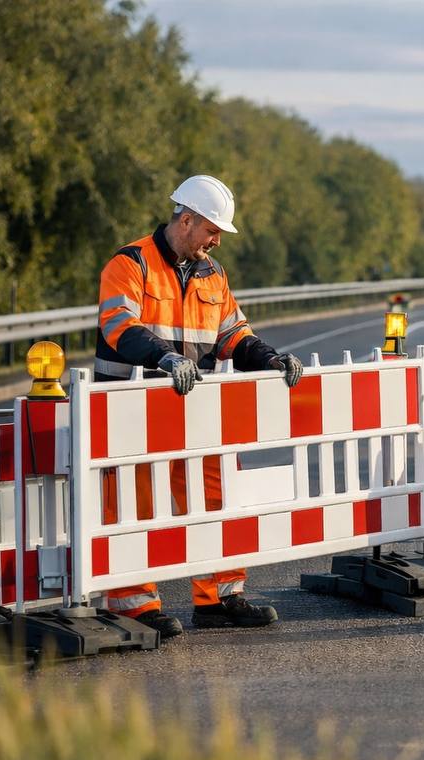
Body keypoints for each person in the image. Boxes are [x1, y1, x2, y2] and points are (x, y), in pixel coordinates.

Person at [95, 174, 305, 638]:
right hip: (131, 413)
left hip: (195, 413)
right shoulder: (130, 263)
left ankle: (220, 598)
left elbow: (233, 334)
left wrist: (269, 358)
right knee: (136, 508)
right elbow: (119, 326)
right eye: (212, 231)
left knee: (216, 498)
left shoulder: (213, 273)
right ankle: (135, 606)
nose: (216, 241)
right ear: (185, 220)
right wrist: (164, 357)